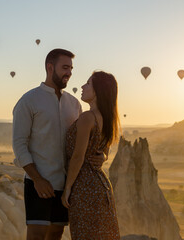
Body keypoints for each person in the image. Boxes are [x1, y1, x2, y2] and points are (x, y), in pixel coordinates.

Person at [12, 49, 106, 240]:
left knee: (56, 234)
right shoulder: (28, 101)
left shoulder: (74, 104)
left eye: (71, 68)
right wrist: (37, 179)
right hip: (38, 183)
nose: (69, 73)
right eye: (65, 67)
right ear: (49, 67)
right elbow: (19, 144)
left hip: (67, 184)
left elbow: (87, 139)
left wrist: (103, 155)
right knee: (37, 235)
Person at [61, 71, 121, 239]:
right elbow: (105, 151)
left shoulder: (88, 118)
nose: (82, 86)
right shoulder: (107, 118)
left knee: (84, 234)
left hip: (85, 187)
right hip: (102, 187)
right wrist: (104, 158)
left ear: (97, 91)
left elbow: (78, 157)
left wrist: (67, 188)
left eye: (87, 84)